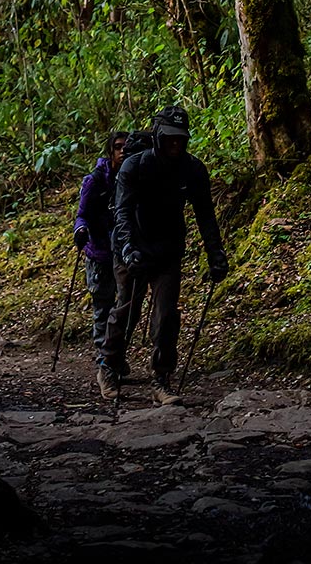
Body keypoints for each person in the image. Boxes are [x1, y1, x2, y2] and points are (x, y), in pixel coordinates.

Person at [96, 105, 229, 406]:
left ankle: (161, 379)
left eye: (180, 139)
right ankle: (108, 366)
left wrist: (215, 252)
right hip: (132, 246)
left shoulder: (193, 170)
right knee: (127, 308)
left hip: (168, 250)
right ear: (157, 136)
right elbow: (123, 213)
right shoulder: (134, 167)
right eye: (169, 138)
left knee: (167, 314)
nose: (175, 144)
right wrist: (128, 248)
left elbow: (205, 215)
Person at [72, 130, 128, 365]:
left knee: (123, 307)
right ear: (110, 151)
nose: (123, 151)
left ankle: (115, 354)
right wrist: (81, 231)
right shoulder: (94, 181)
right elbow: (81, 215)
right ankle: (104, 356)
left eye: (126, 146)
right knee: (103, 307)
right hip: (100, 253)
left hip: (124, 252)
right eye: (118, 147)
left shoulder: (133, 177)